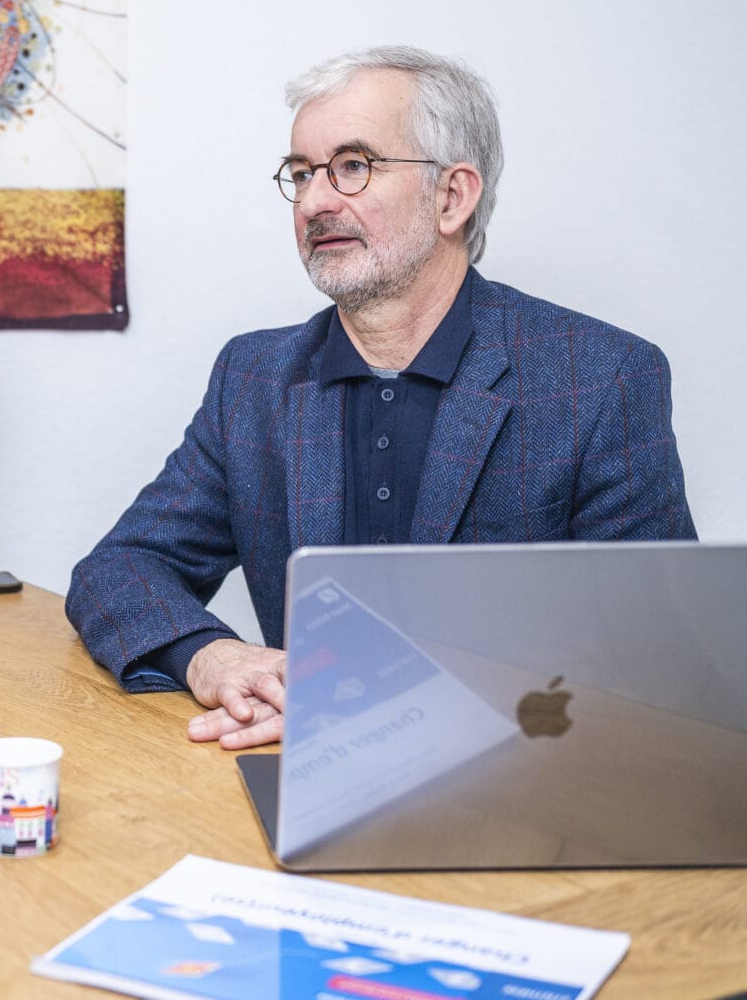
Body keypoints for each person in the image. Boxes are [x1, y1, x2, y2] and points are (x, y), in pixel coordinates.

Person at [67, 46, 693, 752]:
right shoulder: (255, 376)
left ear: (452, 196)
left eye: (353, 166)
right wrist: (213, 654)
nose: (313, 201)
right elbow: (119, 568)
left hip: (522, 779)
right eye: (301, 174)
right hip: (307, 772)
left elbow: (657, 658)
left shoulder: (600, 377)